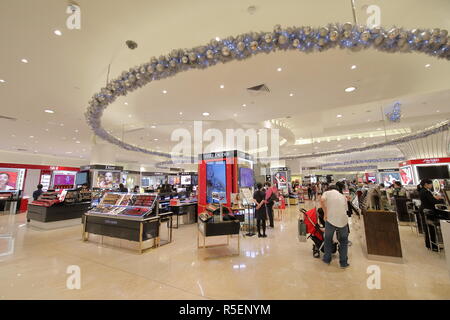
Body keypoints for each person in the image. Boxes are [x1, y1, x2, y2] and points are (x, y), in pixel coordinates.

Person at [320, 184, 350, 268]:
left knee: (328, 239)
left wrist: (325, 213)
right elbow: (346, 209)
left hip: (331, 219)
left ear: (329, 189)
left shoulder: (327, 193)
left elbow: (322, 200)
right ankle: (343, 263)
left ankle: (327, 259)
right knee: (344, 241)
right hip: (343, 220)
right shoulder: (342, 196)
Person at [419, 179, 445, 250]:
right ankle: (432, 245)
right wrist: (440, 199)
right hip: (428, 212)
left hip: (425, 210)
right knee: (430, 229)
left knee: (428, 229)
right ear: (426, 184)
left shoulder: (422, 191)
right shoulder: (426, 191)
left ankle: (430, 245)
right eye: (430, 184)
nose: (431, 185)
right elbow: (433, 201)